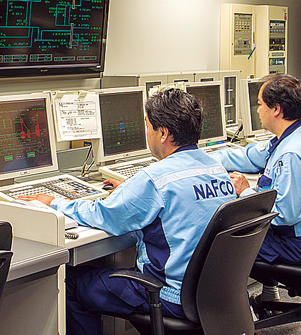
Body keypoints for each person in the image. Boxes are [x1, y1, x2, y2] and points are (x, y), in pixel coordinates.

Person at [20, 88, 234, 335]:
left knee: (71, 283)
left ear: (163, 133)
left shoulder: (155, 179)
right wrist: (131, 192)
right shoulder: (215, 168)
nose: (147, 133)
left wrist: (54, 203)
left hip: (169, 294)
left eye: (148, 126)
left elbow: (105, 215)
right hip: (209, 292)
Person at [209, 73, 301, 305]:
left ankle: (235, 313)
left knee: (221, 244)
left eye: (260, 104)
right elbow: (249, 157)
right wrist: (204, 161)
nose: (257, 110)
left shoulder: (291, 154)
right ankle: (269, 298)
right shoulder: (292, 136)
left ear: (275, 109)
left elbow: (285, 215)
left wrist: (245, 192)